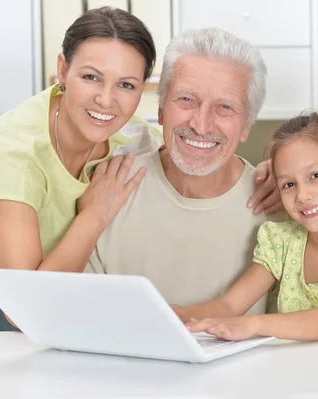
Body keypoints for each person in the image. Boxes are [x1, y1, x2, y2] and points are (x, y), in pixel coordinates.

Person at [0, 8, 278, 331]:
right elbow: (24, 308)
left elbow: (192, 141)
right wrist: (94, 215)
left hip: (69, 276)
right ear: (62, 69)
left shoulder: (130, 136)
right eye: (91, 77)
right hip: (8, 286)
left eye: (126, 85)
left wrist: (286, 178)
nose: (106, 100)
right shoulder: (10, 154)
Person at [85, 27, 285, 314]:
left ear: (246, 127)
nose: (201, 125)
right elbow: (81, 318)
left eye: (225, 107)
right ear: (162, 110)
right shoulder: (107, 187)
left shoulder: (277, 207)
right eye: (187, 100)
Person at [174, 112, 318, 341]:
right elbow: (230, 306)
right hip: (291, 371)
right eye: (289, 184)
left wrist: (253, 324)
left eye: (316, 175)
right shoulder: (281, 241)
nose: (302, 195)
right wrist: (179, 315)